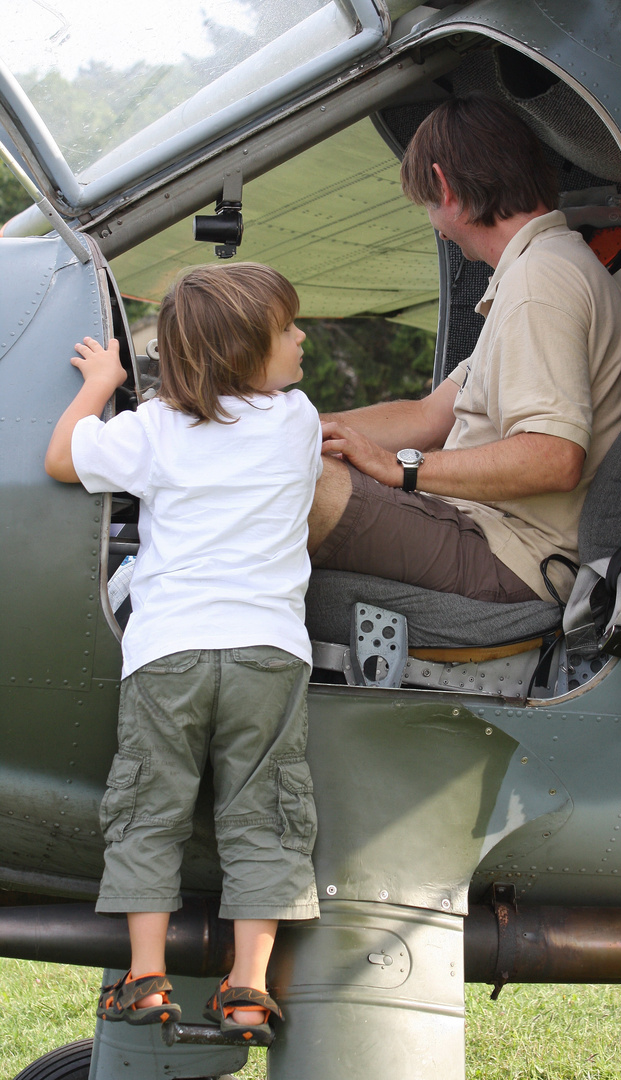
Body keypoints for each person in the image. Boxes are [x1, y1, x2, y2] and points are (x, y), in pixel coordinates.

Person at [45, 263, 322, 1045]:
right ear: (245, 352)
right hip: (269, 650)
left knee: (148, 809)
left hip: (168, 650)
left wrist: (102, 382)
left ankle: (144, 976)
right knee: (265, 814)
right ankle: (246, 988)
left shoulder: (157, 429)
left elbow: (63, 459)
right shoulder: (298, 418)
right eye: (287, 329)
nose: (302, 337)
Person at [309, 94, 621, 607]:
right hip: (487, 532)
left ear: (445, 187)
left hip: (515, 554)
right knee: (281, 459)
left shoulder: (539, 283)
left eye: (427, 204)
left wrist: (403, 468)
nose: (433, 223)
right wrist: (295, 425)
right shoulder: (537, 270)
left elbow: (553, 458)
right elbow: (427, 414)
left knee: (291, 484)